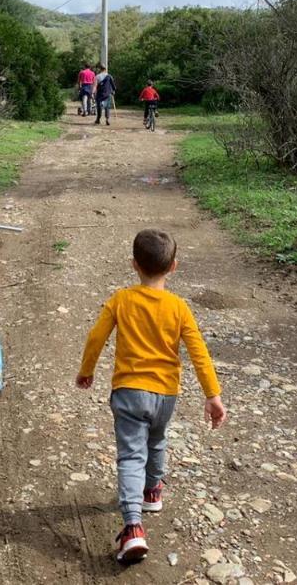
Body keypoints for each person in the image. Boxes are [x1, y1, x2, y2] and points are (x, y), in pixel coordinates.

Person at [76, 229, 227, 563]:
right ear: (173, 267)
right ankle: (152, 491)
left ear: (134, 265)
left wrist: (87, 370)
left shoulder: (121, 300)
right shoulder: (179, 307)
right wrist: (212, 395)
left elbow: (96, 337)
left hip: (130, 393)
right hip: (165, 396)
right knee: (157, 442)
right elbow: (199, 352)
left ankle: (132, 528)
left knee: (131, 456)